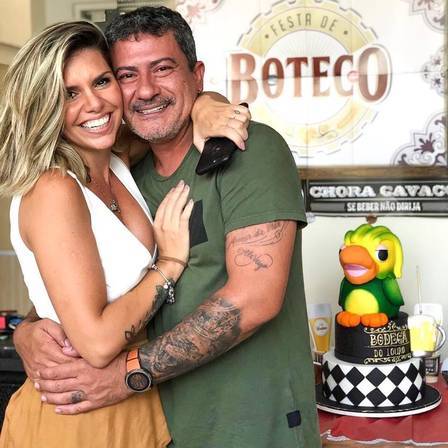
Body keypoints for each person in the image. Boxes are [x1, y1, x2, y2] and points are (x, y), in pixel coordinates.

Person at [14, 6, 321, 448]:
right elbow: (79, 286)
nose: (145, 90)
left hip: (252, 425)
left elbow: (255, 298)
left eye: (163, 69)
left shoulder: (248, 151)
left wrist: (127, 374)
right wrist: (27, 331)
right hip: (158, 424)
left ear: (196, 75)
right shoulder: (123, 172)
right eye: (126, 75)